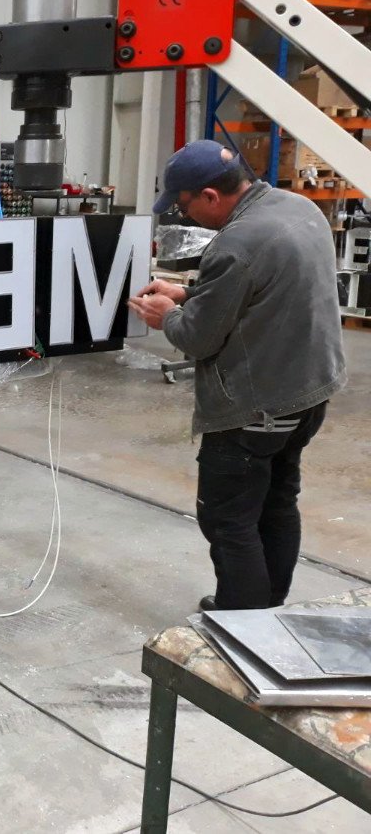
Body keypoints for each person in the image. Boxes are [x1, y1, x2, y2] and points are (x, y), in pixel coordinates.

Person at [128, 140, 346, 611]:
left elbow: (198, 339)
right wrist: (189, 293)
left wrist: (167, 315)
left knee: (228, 520)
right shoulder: (298, 208)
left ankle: (241, 619)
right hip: (309, 392)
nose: (185, 216)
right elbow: (260, 293)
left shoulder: (235, 243)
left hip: (256, 408)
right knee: (277, 502)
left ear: (210, 195)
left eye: (184, 206)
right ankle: (267, 608)